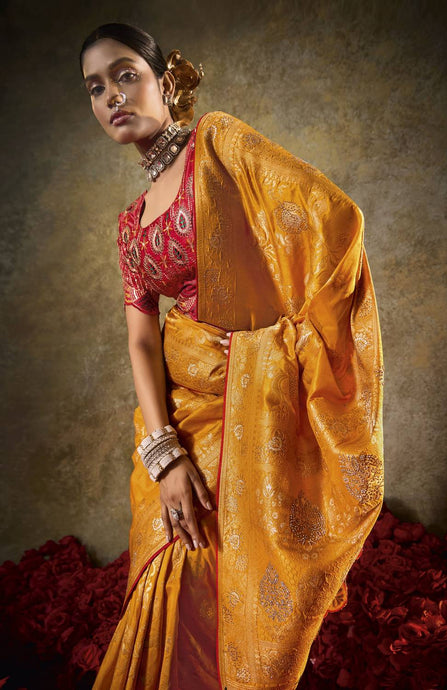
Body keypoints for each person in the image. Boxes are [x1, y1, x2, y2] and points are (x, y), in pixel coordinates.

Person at [80, 22, 384, 690]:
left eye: (126, 74)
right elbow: (140, 338)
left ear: (165, 82)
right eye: (95, 88)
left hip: (249, 419)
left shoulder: (219, 147)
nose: (112, 96)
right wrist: (164, 455)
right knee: (169, 574)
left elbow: (334, 221)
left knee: (211, 575)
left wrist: (276, 344)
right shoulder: (130, 226)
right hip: (177, 423)